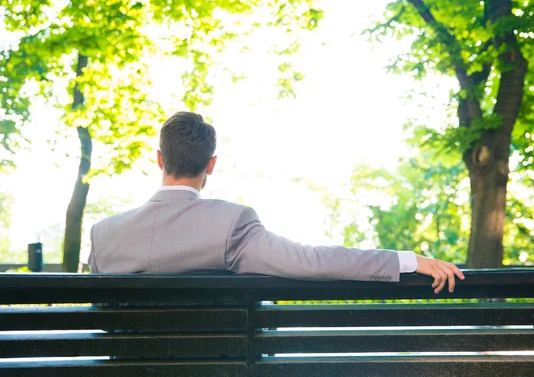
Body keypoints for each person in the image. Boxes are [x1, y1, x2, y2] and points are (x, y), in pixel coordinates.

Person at [89, 111, 464, 293]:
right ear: (211, 165)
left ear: (159, 159)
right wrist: (411, 260)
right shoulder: (230, 225)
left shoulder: (103, 235)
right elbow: (314, 262)